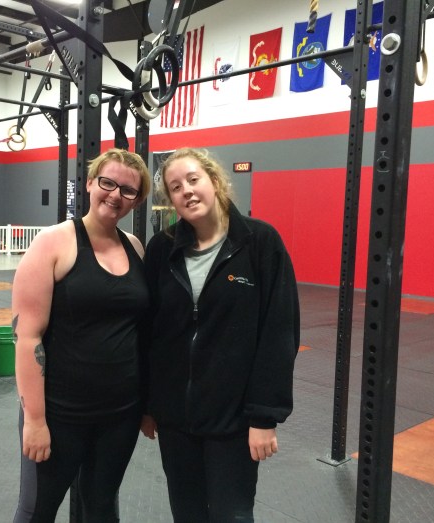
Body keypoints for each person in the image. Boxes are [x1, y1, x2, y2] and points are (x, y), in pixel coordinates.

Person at [140, 148, 300, 522]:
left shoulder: (260, 242)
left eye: (193, 179)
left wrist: (264, 417)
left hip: (234, 420)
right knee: (187, 513)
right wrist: (148, 406)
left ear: (214, 181)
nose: (186, 191)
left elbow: (278, 333)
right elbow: (149, 333)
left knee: (232, 514)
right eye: (175, 187)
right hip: (176, 420)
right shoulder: (162, 249)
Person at [12, 148, 151, 522]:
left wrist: (147, 406)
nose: (115, 195)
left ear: (137, 200)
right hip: (60, 413)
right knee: (37, 509)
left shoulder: (135, 248)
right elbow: (27, 337)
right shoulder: (53, 242)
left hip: (120, 414)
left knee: (101, 505)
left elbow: (142, 332)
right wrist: (35, 420)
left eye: (128, 190)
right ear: (90, 183)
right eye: (108, 182)